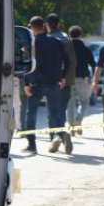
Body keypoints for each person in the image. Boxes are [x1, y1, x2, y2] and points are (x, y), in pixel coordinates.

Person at [22, 16, 69, 155]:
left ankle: (32, 145)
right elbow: (68, 61)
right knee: (55, 113)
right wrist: (62, 76)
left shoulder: (32, 43)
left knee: (31, 114)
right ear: (44, 26)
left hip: (36, 83)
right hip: (54, 82)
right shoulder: (56, 41)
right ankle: (62, 134)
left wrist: (26, 83)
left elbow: (27, 65)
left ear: (31, 27)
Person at [46, 13, 76, 152]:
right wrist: (67, 80)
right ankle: (61, 136)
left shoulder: (49, 40)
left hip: (53, 81)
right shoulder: (67, 39)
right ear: (58, 24)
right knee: (61, 111)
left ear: (47, 25)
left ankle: (56, 137)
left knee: (52, 112)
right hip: (66, 82)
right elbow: (71, 61)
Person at [68, 26, 96, 135]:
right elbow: (93, 64)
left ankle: (71, 128)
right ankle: (78, 120)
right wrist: (91, 77)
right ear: (80, 35)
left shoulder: (67, 47)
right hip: (83, 78)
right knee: (84, 102)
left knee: (70, 104)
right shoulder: (85, 48)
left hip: (69, 79)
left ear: (69, 35)